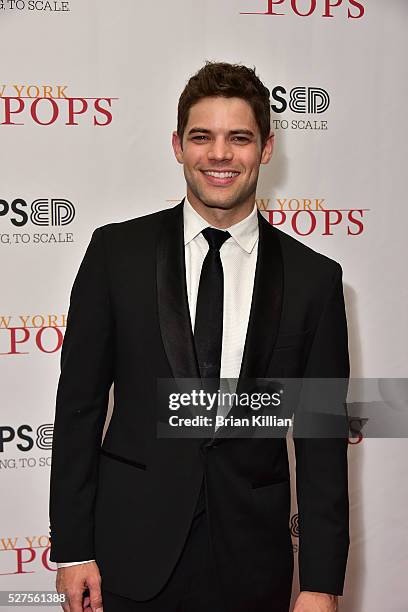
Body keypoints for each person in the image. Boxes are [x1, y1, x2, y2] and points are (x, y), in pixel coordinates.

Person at [49, 61, 349, 612]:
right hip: (128, 552)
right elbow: (77, 411)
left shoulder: (315, 279)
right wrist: (71, 550)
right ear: (177, 145)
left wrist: (321, 582)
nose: (219, 154)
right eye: (202, 137)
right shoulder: (116, 255)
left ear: (265, 149)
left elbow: (323, 441)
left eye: (239, 138)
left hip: (252, 561)